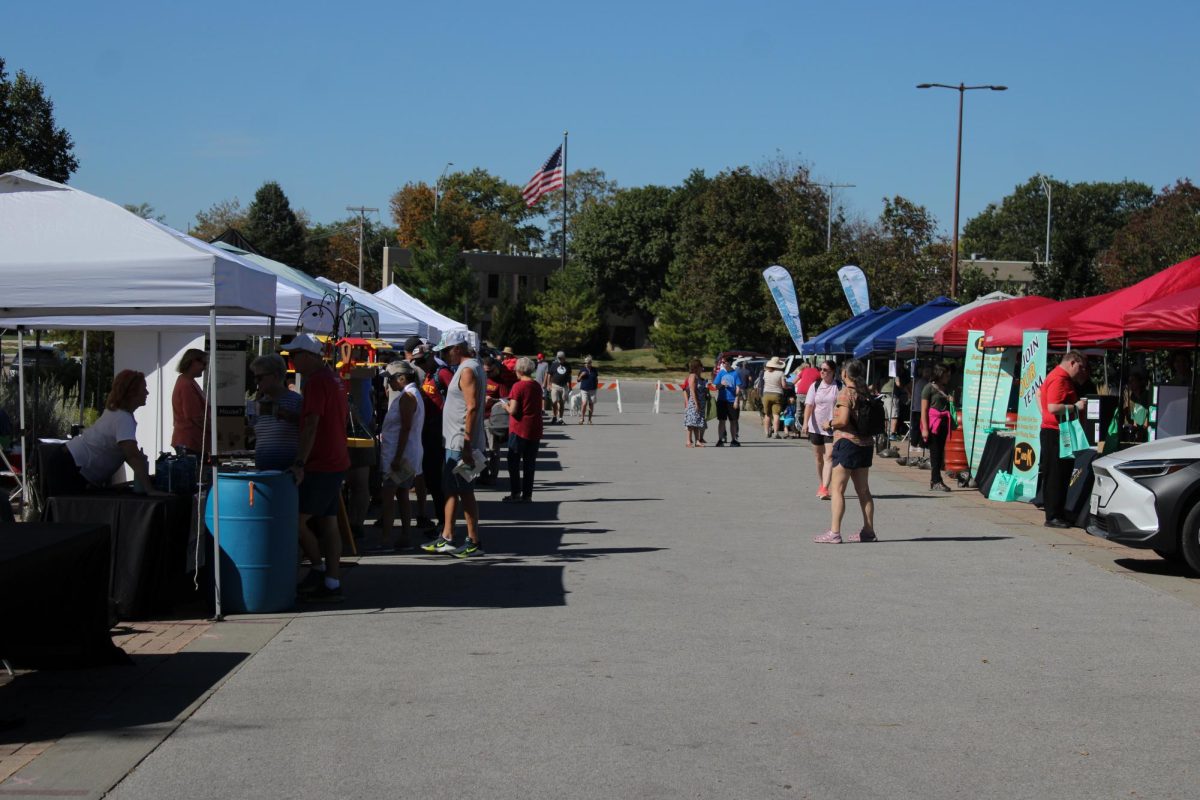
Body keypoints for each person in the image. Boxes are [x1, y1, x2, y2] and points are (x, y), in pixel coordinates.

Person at [284, 333, 351, 603]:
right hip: (335, 459)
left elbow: (312, 424)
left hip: (321, 462)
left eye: (294, 355)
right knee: (328, 521)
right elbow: (318, 419)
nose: (291, 360)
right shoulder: (332, 379)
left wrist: (300, 462)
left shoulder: (316, 382)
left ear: (308, 356)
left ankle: (319, 568)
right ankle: (331, 580)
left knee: (298, 521)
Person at [421, 330, 486, 558]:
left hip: (460, 443)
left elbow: (472, 407)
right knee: (450, 489)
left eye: (447, 350)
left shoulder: (467, 370)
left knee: (464, 491)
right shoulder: (468, 367)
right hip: (455, 441)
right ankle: (447, 536)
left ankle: (473, 541)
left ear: (457, 348)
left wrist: (467, 444)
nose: (446, 355)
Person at [51, 370, 167, 496]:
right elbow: (132, 455)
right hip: (70, 466)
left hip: (68, 461)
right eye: (143, 389)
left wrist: (140, 468)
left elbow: (128, 454)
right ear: (132, 392)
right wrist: (150, 490)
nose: (147, 393)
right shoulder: (123, 418)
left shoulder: (117, 413)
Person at [814, 359, 877, 544]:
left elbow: (842, 420)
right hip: (865, 444)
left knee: (837, 489)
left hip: (847, 444)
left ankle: (834, 532)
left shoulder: (846, 393)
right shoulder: (865, 392)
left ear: (844, 374)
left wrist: (829, 423)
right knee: (863, 490)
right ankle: (868, 530)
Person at [377, 360, 424, 549]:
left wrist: (397, 458)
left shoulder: (407, 397)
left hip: (400, 456)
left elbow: (405, 428)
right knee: (402, 494)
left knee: (388, 497)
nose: (388, 384)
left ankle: (387, 539)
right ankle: (405, 535)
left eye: (391, 379)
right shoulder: (411, 394)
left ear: (402, 378)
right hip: (405, 454)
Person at [1039, 350, 1089, 529]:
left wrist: (1044, 414)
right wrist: (1075, 407)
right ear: (1072, 363)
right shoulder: (1060, 378)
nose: (1082, 371)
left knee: (1058, 473)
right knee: (1056, 475)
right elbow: (1053, 407)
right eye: (1081, 367)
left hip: (1053, 430)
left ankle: (1056, 512)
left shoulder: (1056, 375)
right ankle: (1053, 516)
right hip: (1055, 432)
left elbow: (1039, 395)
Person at [409, 342, 453, 531]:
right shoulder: (428, 375)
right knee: (431, 478)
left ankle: (444, 522)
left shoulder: (442, 373)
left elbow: (457, 396)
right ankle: (442, 521)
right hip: (428, 430)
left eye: (421, 361)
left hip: (440, 432)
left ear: (429, 358)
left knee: (437, 479)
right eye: (416, 362)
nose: (418, 365)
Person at [249, 354, 302, 471]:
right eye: (255, 378)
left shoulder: (296, 400)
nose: (256, 382)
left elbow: (308, 428)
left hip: (288, 472)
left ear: (275, 376)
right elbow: (251, 433)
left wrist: (285, 414)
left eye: (260, 378)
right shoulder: (256, 403)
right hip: (263, 471)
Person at [503, 357, 544, 502]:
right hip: (535, 427)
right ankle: (528, 495)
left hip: (519, 428)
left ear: (519, 370)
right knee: (529, 464)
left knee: (513, 462)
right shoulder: (537, 385)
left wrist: (505, 405)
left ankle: (515, 493)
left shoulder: (518, 386)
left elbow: (513, 410)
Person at [803, 360, 839, 500]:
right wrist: (805, 423)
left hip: (831, 427)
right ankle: (821, 483)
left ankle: (825, 488)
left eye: (825, 370)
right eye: (821, 369)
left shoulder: (838, 386)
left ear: (832, 372)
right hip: (815, 426)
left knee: (829, 456)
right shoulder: (815, 385)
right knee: (818, 458)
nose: (822, 372)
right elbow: (809, 405)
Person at [921, 365, 954, 492]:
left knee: (940, 454)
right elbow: (924, 410)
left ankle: (936, 480)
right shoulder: (928, 388)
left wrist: (951, 401)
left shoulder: (946, 388)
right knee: (935, 454)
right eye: (946, 374)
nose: (948, 377)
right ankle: (935, 481)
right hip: (933, 424)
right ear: (940, 374)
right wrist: (925, 428)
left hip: (943, 424)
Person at [170, 348, 208, 457]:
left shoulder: (187, 381)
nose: (205, 367)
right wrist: (215, 431)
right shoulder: (186, 385)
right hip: (189, 442)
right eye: (203, 363)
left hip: (189, 441)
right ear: (193, 362)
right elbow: (195, 416)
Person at [713, 356, 743, 446]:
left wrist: (736, 400)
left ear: (729, 363)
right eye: (722, 363)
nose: (723, 364)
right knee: (722, 420)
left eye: (724, 362)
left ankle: (733, 440)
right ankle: (720, 440)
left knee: (733, 421)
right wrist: (721, 384)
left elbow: (738, 387)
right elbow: (716, 387)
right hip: (722, 400)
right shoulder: (721, 373)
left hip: (732, 400)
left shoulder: (735, 373)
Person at [1120, 369, 1150, 443]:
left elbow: (1150, 413)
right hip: (1138, 434)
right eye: (1129, 381)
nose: (1130, 383)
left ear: (1139, 382)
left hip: (1147, 433)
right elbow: (1134, 421)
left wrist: (1144, 428)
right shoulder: (1131, 398)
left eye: (1133, 380)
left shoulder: (1146, 395)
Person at [682, 358, 708, 447]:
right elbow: (692, 391)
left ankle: (697, 441)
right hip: (694, 403)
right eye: (701, 366)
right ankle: (688, 441)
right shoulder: (692, 376)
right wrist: (696, 404)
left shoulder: (699, 377)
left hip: (701, 403)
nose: (702, 368)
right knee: (691, 422)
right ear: (696, 367)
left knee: (697, 422)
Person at [760, 357, 787, 438]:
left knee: (767, 414)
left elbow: (764, 383)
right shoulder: (781, 373)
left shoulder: (766, 373)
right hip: (777, 394)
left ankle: (766, 432)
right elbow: (784, 385)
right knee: (776, 414)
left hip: (766, 394)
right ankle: (775, 433)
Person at [546, 351, 571, 425]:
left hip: (564, 386)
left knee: (562, 402)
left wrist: (570, 386)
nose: (559, 359)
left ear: (564, 357)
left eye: (561, 357)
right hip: (555, 386)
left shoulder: (567, 365)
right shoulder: (554, 364)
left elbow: (569, 376)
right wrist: (548, 384)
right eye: (558, 357)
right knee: (554, 401)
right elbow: (549, 375)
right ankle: (554, 416)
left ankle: (560, 418)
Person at [577, 355, 599, 424]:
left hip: (592, 389)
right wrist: (581, 375)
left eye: (588, 363)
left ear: (590, 363)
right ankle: (582, 418)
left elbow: (596, 378)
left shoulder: (594, 369)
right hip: (584, 389)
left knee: (591, 404)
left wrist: (596, 386)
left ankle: (589, 419)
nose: (586, 364)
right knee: (584, 403)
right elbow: (578, 380)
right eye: (585, 363)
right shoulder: (582, 370)